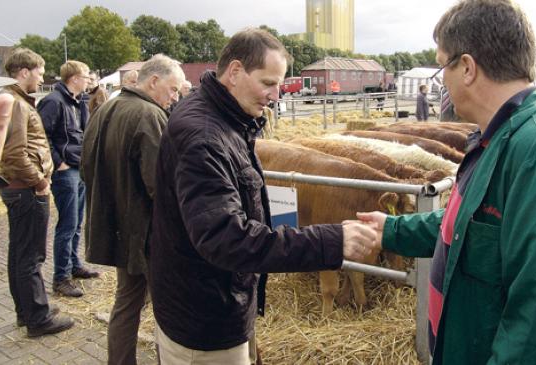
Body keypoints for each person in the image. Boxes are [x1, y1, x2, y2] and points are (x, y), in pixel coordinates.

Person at [357, 1, 536, 364]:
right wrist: (392, 230)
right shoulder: (499, 139)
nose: (441, 79)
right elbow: (467, 229)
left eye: (442, 64)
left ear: (467, 68)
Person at [149, 28, 378, 364]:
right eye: (268, 83)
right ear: (236, 71)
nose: (276, 95)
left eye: (279, 84)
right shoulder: (204, 137)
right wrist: (331, 241)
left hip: (211, 297)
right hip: (205, 317)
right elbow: (226, 239)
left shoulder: (226, 120)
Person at [81, 54, 184, 365]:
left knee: (126, 302)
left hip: (119, 227)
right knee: (169, 306)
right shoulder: (149, 115)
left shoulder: (106, 107)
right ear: (153, 81)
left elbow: (86, 167)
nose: (175, 97)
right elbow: (161, 185)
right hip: (148, 234)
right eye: (173, 89)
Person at [0, 48, 74, 337]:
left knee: (19, 253)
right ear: (24, 71)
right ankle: (38, 319)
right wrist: (40, 182)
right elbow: (16, 153)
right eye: (40, 73)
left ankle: (27, 310)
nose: (43, 78)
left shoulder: (14, 99)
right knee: (31, 256)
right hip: (27, 190)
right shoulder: (16, 103)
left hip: (17, 189)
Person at [38, 60, 99, 298]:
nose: (89, 79)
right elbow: (42, 135)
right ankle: (61, 278)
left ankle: (74, 265)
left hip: (77, 168)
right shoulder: (54, 102)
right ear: (73, 78)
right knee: (67, 224)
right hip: (65, 172)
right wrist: (58, 163)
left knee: (76, 224)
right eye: (85, 76)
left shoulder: (76, 102)